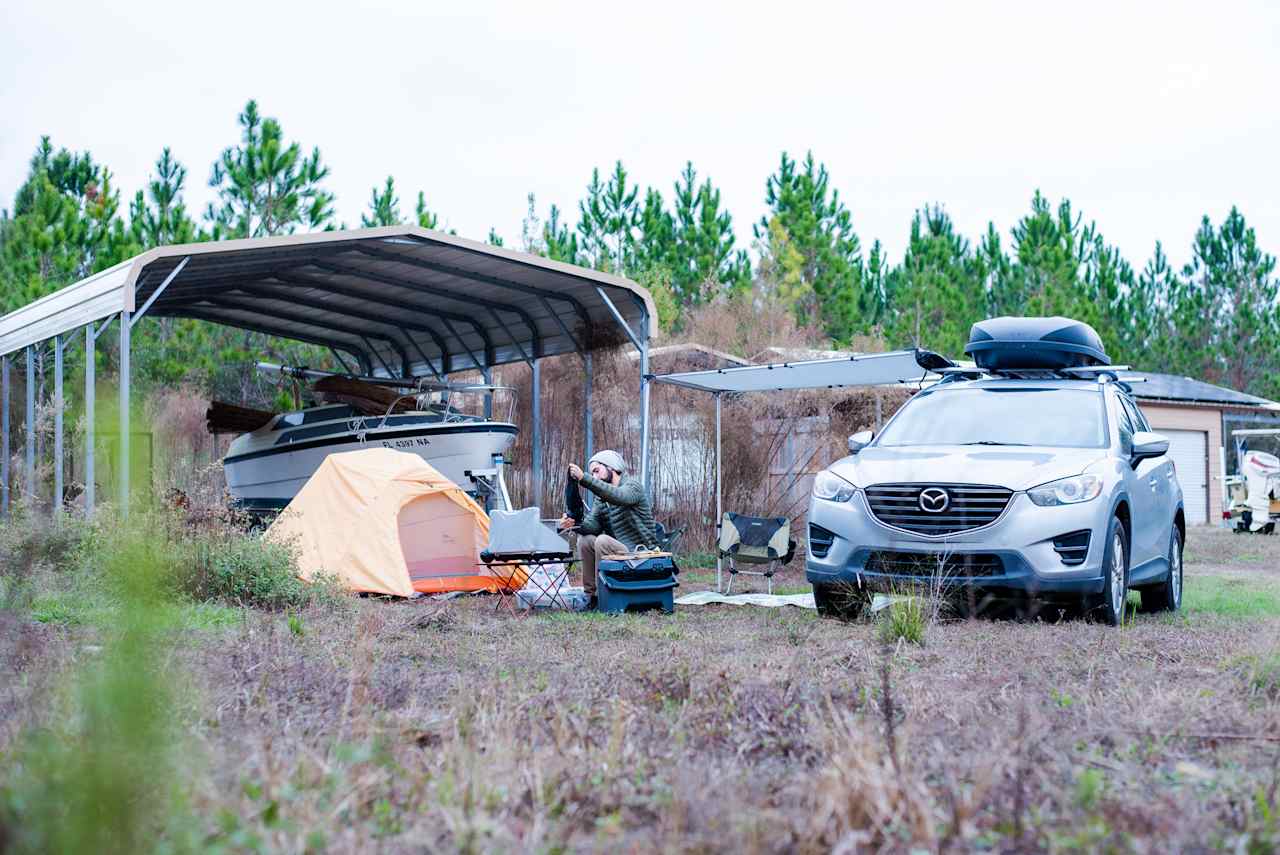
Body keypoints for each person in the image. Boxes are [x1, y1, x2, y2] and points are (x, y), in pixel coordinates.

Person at [557, 449, 657, 607]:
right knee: (586, 540)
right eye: (592, 473)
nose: (595, 476)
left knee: (602, 541)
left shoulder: (633, 486)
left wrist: (585, 478)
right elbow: (593, 525)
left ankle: (605, 595)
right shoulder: (601, 499)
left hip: (641, 554)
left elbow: (618, 496)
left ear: (612, 467)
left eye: (597, 471)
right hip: (621, 552)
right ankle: (592, 597)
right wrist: (575, 523)